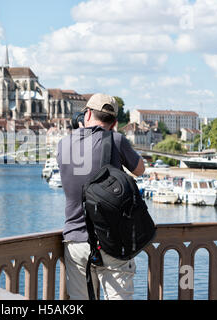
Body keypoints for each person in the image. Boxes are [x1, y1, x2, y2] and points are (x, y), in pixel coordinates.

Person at [57, 93, 145, 300]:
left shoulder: (64, 144)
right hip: (112, 240)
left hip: (76, 239)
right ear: (114, 122)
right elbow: (140, 169)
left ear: (86, 114)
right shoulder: (115, 140)